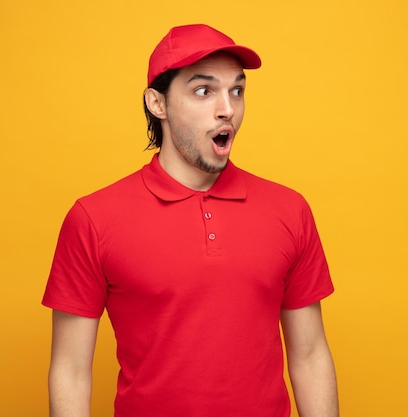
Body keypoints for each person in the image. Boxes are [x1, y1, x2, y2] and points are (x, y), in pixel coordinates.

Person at [42, 24, 338, 417]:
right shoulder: (93, 218)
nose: (227, 109)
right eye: (204, 90)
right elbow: (71, 371)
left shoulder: (289, 210)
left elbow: (311, 353)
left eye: (237, 90)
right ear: (157, 104)